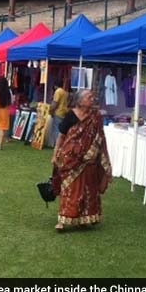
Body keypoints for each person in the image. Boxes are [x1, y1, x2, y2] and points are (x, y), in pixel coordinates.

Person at [51, 89, 112, 231]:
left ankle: (84, 218)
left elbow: (100, 137)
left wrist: (97, 154)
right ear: (80, 101)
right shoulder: (70, 115)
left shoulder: (95, 116)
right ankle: (62, 219)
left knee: (88, 189)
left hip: (90, 159)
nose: (92, 99)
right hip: (71, 159)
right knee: (70, 189)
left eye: (92, 97)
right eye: (89, 97)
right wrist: (55, 154)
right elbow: (61, 136)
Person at [48, 82, 69, 148]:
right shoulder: (65, 92)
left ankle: (58, 146)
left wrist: (51, 111)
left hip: (58, 112)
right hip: (64, 112)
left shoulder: (58, 91)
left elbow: (55, 103)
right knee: (61, 130)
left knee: (56, 130)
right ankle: (62, 145)